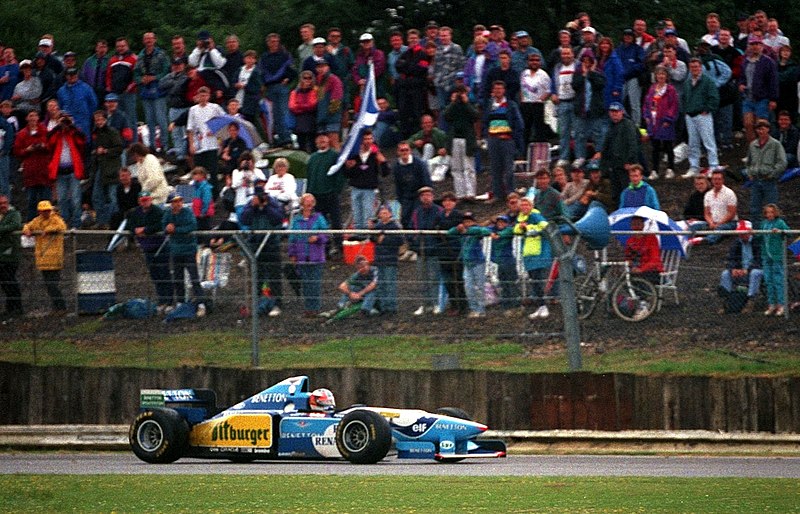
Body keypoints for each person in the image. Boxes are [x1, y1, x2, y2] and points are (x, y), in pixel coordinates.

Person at [239, 185, 285, 317]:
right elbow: (244, 219)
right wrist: (254, 207)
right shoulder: (250, 204)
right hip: (255, 243)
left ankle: (276, 303)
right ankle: (257, 304)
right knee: (256, 275)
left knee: (274, 275)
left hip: (271, 244)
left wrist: (266, 206)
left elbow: (277, 219)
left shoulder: (273, 203)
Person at [162, 191, 206, 316]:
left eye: (179, 200)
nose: (178, 203)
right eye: (175, 201)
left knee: (194, 278)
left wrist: (175, 230)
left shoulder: (187, 212)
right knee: (177, 278)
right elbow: (163, 226)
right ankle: (181, 303)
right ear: (171, 203)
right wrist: (167, 229)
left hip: (189, 250)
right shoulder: (168, 213)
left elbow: (192, 226)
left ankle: (201, 303)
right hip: (175, 250)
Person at [127, 191, 172, 312]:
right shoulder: (135, 212)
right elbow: (129, 225)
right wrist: (135, 231)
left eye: (147, 199)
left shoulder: (157, 211)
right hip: (147, 248)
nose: (145, 202)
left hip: (160, 246)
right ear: (139, 201)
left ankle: (169, 301)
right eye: (143, 200)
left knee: (164, 273)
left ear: (151, 200)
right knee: (155, 275)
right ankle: (162, 300)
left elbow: (161, 224)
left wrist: (145, 230)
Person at [287, 193, 329, 316]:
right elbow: (292, 238)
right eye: (307, 201)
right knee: (305, 283)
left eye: (312, 201)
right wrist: (292, 254)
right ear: (302, 204)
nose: (309, 204)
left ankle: (315, 308)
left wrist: (318, 238)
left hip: (316, 257)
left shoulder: (319, 218)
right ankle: (307, 307)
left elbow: (326, 234)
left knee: (315, 283)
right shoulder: (296, 220)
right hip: (301, 257)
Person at [22, 200, 67, 314]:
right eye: (44, 211)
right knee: (49, 285)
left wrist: (47, 230)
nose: (46, 213)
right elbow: (27, 225)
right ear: (40, 211)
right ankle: (57, 307)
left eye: (47, 210)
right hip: (43, 258)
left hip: (54, 257)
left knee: (52, 285)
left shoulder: (56, 219)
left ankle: (61, 307)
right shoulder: (37, 221)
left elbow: (61, 226)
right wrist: (27, 230)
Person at [484, 80, 524, 203]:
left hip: (506, 140)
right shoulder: (490, 104)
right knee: (495, 168)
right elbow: (486, 121)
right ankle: (497, 195)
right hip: (493, 139)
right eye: (495, 89)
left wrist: (511, 136)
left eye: (500, 89)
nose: (498, 91)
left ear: (504, 90)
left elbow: (519, 123)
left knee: (508, 168)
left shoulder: (510, 105)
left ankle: (511, 193)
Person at [680, 58, 720, 178]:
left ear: (701, 67)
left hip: (703, 115)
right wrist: (686, 110)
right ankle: (694, 167)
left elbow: (714, 98)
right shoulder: (687, 83)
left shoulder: (708, 81)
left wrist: (707, 109)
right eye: (692, 67)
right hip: (690, 115)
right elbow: (684, 98)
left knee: (708, 141)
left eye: (696, 67)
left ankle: (713, 166)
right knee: (693, 143)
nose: (694, 69)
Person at [449, 211, 493, 318]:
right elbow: (450, 232)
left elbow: (486, 231)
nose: (467, 223)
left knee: (479, 286)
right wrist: (458, 229)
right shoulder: (461, 231)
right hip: (467, 263)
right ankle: (473, 308)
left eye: (469, 221)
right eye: (465, 221)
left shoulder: (476, 231)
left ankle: (481, 309)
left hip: (478, 262)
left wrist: (471, 230)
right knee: (468, 287)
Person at [306, 133, 344, 253]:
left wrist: (336, 189)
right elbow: (309, 176)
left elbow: (340, 174)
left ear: (328, 141)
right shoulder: (312, 158)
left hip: (331, 194)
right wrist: (310, 192)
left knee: (336, 221)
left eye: (324, 138)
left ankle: (339, 245)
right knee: (320, 223)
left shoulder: (334, 155)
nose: (322, 140)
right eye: (319, 138)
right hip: (316, 195)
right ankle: (325, 247)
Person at [513, 197, 551, 319]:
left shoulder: (535, 216)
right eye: (522, 205)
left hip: (539, 251)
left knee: (539, 279)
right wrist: (522, 227)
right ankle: (540, 306)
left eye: (526, 205)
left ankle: (544, 305)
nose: (524, 207)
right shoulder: (520, 218)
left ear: (531, 206)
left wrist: (528, 228)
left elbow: (545, 227)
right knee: (533, 280)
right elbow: (516, 230)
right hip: (528, 252)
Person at [597, 102, 640, 208]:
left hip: (625, 166)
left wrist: (630, 161)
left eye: (616, 112)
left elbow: (633, 144)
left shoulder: (628, 125)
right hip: (614, 166)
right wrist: (604, 167)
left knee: (626, 192)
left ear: (621, 112)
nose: (614, 114)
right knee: (616, 193)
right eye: (612, 112)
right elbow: (606, 148)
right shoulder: (611, 126)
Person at [746, 118, 787, 229]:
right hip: (755, 180)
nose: (760, 132)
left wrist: (773, 173)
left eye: (762, 129)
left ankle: (772, 231)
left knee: (772, 208)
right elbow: (748, 161)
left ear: (768, 129)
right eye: (758, 129)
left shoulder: (775, 144)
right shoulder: (753, 145)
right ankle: (758, 234)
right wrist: (750, 172)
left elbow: (782, 162)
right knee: (754, 209)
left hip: (769, 180)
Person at [47, 112, 85, 228]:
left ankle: (76, 223)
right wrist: (58, 127)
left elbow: (82, 141)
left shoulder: (74, 132)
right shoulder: (56, 133)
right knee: (62, 199)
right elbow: (49, 141)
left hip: (73, 170)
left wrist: (71, 126)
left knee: (75, 199)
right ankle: (64, 224)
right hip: (60, 171)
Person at [258, 33, 296, 148]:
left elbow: (292, 70)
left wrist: (287, 79)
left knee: (283, 111)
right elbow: (261, 73)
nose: (274, 43)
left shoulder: (284, 55)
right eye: (271, 41)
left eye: (276, 41)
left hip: (281, 87)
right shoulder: (264, 57)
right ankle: (280, 138)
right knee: (274, 114)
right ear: (268, 43)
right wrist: (263, 85)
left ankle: (287, 137)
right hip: (269, 88)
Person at [134, 32, 170, 153]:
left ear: (155, 40)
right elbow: (136, 73)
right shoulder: (140, 55)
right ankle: (152, 146)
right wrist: (141, 79)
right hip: (145, 91)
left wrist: (155, 77)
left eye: (150, 38)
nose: (148, 41)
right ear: (143, 41)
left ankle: (165, 146)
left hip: (159, 89)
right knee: (149, 120)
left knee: (161, 119)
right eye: (146, 39)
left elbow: (167, 71)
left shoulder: (161, 54)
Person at [344, 131, 388, 230]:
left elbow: (385, 173)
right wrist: (349, 167)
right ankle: (359, 236)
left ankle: (368, 237)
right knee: (357, 216)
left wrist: (383, 162)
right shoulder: (354, 154)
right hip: (355, 188)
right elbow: (347, 174)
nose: (368, 141)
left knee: (368, 217)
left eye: (370, 139)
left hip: (369, 190)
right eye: (365, 139)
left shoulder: (375, 154)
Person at [739, 35, 778, 144]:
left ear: (762, 46)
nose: (755, 47)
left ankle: (764, 151)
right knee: (747, 124)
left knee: (761, 126)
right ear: (749, 46)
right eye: (752, 44)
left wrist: (773, 99)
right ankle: (753, 150)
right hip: (748, 97)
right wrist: (741, 84)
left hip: (762, 98)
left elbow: (773, 81)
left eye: (757, 44)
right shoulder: (745, 61)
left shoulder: (768, 62)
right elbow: (742, 77)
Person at [186, 86, 225, 196]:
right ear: (198, 97)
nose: (203, 98)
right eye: (201, 96)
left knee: (213, 171)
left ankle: (214, 195)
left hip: (212, 144)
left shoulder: (215, 108)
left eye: (205, 95)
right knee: (199, 171)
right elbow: (190, 128)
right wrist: (191, 144)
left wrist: (215, 131)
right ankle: (200, 194)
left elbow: (223, 121)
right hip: (199, 144)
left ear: (208, 96)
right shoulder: (193, 110)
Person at [12, 110, 50, 220]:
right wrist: (27, 149)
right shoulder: (22, 134)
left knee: (45, 201)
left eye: (35, 116)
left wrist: (43, 146)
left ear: (38, 118)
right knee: (31, 201)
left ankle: (46, 222)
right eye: (31, 116)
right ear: (27, 118)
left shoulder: (44, 131)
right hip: (30, 173)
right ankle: (31, 223)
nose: (33, 118)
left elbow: (51, 147)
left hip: (43, 171)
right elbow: (17, 151)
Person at [410, 186, 443, 315]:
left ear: (432, 196)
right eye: (423, 195)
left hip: (433, 250)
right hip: (420, 250)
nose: (426, 197)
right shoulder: (416, 212)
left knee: (434, 277)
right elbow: (411, 228)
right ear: (420, 197)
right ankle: (424, 304)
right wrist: (414, 244)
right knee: (422, 278)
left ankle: (436, 303)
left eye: (428, 195)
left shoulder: (439, 211)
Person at [718, 219, 762, 314]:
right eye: (740, 233)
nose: (741, 235)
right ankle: (727, 300)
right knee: (725, 274)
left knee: (755, 273)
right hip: (740, 270)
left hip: (755, 269)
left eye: (743, 232)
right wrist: (733, 269)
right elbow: (731, 259)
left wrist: (748, 270)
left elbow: (760, 260)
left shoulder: (757, 242)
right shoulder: (736, 243)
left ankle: (751, 300)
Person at [643, 66, 679, 180]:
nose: (661, 76)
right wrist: (647, 116)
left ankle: (670, 168)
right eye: (659, 74)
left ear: (667, 76)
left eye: (663, 74)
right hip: (654, 122)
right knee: (655, 147)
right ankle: (655, 170)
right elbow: (647, 103)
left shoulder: (670, 89)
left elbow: (673, 105)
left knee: (668, 146)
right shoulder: (652, 88)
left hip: (665, 122)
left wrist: (669, 119)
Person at [91, 110, 123, 229]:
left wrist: (106, 151)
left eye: (100, 119)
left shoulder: (112, 132)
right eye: (96, 120)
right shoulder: (95, 133)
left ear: (105, 120)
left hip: (112, 168)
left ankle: (113, 222)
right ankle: (101, 221)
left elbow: (119, 148)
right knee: (96, 196)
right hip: (100, 168)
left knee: (112, 196)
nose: (98, 122)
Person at [436, 191, 467, 315]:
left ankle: (462, 305)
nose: (447, 203)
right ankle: (454, 304)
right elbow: (436, 227)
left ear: (455, 202)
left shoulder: (458, 215)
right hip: (443, 250)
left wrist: (446, 228)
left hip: (455, 251)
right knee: (448, 281)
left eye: (450, 200)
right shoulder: (440, 215)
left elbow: (453, 227)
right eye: (445, 200)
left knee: (458, 279)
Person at [689, 169, 738, 245]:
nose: (716, 181)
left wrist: (719, 223)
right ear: (711, 180)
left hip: (728, 222)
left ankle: (707, 241)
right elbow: (707, 213)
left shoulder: (729, 193)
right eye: (714, 179)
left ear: (723, 180)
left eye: (719, 179)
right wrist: (711, 222)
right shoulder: (708, 195)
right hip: (712, 222)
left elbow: (731, 213)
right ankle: (685, 240)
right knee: (694, 227)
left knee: (721, 228)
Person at [370, 204, 403, 315]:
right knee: (381, 283)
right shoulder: (377, 226)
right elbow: (372, 238)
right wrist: (373, 232)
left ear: (390, 214)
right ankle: (383, 306)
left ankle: (391, 307)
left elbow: (400, 241)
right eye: (381, 212)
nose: (383, 214)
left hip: (390, 260)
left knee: (390, 284)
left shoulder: (395, 226)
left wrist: (384, 239)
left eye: (385, 212)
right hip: (379, 259)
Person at [392, 140, 432, 229]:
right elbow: (398, 185)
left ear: (410, 151)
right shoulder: (396, 166)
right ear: (398, 152)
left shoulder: (419, 164)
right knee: (405, 219)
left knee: (417, 219)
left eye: (406, 150)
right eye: (402, 150)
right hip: (406, 197)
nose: (404, 152)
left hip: (419, 196)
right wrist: (401, 199)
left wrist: (425, 197)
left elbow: (426, 182)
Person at [106, 37, 138, 142]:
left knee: (131, 120)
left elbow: (136, 76)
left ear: (127, 46)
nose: (120, 48)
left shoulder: (133, 58)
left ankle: (134, 145)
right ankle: (120, 144)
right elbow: (108, 75)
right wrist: (109, 87)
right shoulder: (113, 59)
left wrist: (131, 86)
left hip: (128, 93)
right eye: (118, 46)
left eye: (122, 46)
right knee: (117, 120)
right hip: (115, 94)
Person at [760, 203, 789, 316]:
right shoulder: (764, 224)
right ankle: (771, 304)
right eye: (768, 212)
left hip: (777, 255)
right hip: (766, 255)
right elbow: (759, 236)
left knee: (778, 280)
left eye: (772, 212)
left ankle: (781, 304)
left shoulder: (780, 222)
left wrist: (780, 231)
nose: (770, 214)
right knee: (768, 280)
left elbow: (787, 232)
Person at [56, 67, 97, 140]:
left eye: (74, 74)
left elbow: (94, 105)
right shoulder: (61, 91)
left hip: (83, 124)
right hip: (67, 125)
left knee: (83, 143)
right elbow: (60, 106)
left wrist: (87, 117)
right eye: (70, 75)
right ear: (66, 76)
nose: (72, 77)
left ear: (77, 75)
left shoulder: (86, 88)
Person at [519, 53, 551, 144]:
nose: (534, 62)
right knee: (525, 129)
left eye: (537, 60)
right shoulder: (524, 73)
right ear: (528, 62)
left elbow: (548, 90)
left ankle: (539, 153)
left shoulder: (543, 75)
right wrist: (522, 100)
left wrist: (540, 100)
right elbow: (522, 88)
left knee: (539, 129)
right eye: (532, 60)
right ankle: (524, 152)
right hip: (526, 104)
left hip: (538, 105)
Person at [490, 214, 520, 314]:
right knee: (503, 284)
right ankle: (506, 305)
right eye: (499, 222)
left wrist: (497, 235)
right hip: (500, 262)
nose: (500, 224)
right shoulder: (494, 230)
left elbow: (508, 231)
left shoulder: (509, 231)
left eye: (503, 222)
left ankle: (516, 305)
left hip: (508, 261)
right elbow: (486, 229)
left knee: (511, 283)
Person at [624, 215, 664, 286]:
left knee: (638, 278)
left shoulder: (651, 238)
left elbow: (655, 260)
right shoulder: (630, 241)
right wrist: (630, 264)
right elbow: (628, 257)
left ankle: (643, 296)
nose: (636, 227)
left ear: (643, 225)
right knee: (623, 278)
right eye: (634, 224)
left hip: (652, 271)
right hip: (635, 269)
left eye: (638, 224)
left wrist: (641, 269)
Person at [409, 114, 449, 182]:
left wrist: (445, 149)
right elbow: (406, 143)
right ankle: (423, 169)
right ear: (422, 125)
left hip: (438, 157)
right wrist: (414, 143)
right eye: (425, 123)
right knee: (415, 148)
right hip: (425, 158)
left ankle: (423, 171)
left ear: (433, 123)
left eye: (429, 122)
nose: (428, 125)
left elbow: (449, 144)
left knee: (429, 147)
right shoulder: (420, 134)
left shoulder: (439, 133)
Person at [0, 195, 22, 316]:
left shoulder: (14, 214)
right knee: (5, 283)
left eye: (5, 203)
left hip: (10, 252)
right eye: (1, 203)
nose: (3, 205)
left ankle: (17, 307)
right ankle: (10, 308)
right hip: (2, 254)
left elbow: (15, 225)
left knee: (11, 281)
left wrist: (2, 229)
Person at [314, 59, 344, 149]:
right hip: (321, 117)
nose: (321, 69)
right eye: (319, 67)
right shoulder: (318, 81)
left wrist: (330, 112)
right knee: (323, 144)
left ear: (328, 67)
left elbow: (337, 98)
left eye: (323, 66)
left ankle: (340, 163)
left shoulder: (334, 79)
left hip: (331, 117)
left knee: (333, 142)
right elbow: (319, 99)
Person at [288, 70, 317, 153]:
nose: (307, 80)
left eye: (309, 78)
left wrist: (300, 106)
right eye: (305, 78)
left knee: (312, 143)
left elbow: (313, 105)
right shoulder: (294, 92)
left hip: (312, 120)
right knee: (301, 143)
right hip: (299, 121)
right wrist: (305, 106)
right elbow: (292, 106)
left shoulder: (315, 91)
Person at [190, 167, 214, 236]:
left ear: (202, 175)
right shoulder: (193, 186)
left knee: (205, 229)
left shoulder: (206, 187)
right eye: (194, 174)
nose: (195, 176)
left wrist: (203, 211)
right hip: (196, 213)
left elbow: (206, 200)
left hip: (203, 214)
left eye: (197, 174)